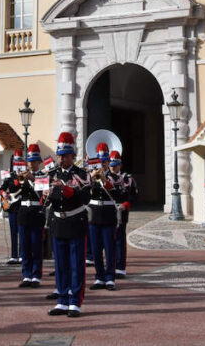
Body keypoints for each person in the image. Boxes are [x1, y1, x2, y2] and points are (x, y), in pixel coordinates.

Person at [46, 132, 90, 318]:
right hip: (58, 222)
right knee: (61, 264)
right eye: (60, 155)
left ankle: (75, 302)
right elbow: (48, 201)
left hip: (74, 221)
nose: (62, 158)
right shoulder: (51, 174)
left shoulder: (82, 174)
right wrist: (45, 195)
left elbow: (86, 197)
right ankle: (62, 300)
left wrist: (66, 189)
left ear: (73, 156)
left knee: (76, 264)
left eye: (65, 155)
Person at [15, 143, 48, 288]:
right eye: (30, 162)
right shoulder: (21, 175)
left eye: (34, 162)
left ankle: (36, 275)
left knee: (36, 245)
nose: (31, 164)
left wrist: (32, 179)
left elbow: (42, 194)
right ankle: (26, 275)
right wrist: (18, 181)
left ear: (39, 162)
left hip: (36, 212)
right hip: (23, 212)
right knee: (24, 246)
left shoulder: (44, 175)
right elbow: (13, 190)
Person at [87, 142, 119, 291]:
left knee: (109, 247)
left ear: (108, 162)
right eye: (100, 162)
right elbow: (84, 193)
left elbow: (117, 193)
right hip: (94, 215)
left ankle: (110, 277)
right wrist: (91, 179)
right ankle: (99, 277)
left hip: (108, 215)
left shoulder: (114, 177)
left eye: (105, 162)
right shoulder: (90, 176)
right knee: (95, 248)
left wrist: (104, 180)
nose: (103, 165)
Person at [107, 151, 137, 278]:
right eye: (111, 165)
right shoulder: (104, 177)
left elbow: (133, 195)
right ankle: (109, 267)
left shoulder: (127, 178)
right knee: (108, 241)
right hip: (107, 211)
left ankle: (120, 268)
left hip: (122, 211)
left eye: (116, 165)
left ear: (120, 165)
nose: (113, 167)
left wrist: (126, 205)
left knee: (119, 241)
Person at [0, 149, 23, 265]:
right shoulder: (9, 175)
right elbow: (2, 188)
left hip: (23, 206)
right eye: (15, 161)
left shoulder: (26, 174)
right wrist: (4, 194)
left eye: (19, 161)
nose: (17, 164)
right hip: (13, 207)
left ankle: (22, 255)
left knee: (22, 231)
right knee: (13, 231)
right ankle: (14, 255)